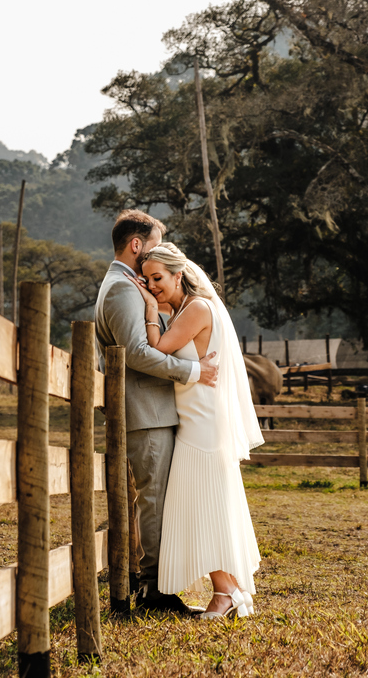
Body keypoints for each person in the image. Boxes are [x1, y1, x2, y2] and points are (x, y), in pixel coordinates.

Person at [127, 242, 264, 619]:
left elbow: (156, 347)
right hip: (196, 421)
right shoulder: (187, 309)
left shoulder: (197, 309)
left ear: (178, 275)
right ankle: (232, 590)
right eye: (147, 279)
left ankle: (225, 592)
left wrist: (152, 310)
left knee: (205, 506)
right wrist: (161, 306)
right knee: (210, 505)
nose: (152, 285)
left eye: (158, 278)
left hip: (201, 426)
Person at [93, 210, 219, 614]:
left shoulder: (124, 285)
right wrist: (194, 371)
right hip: (145, 412)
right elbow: (139, 354)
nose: (159, 255)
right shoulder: (122, 289)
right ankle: (154, 590)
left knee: (148, 498)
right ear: (136, 245)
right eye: (155, 244)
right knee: (154, 499)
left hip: (149, 410)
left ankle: (143, 578)